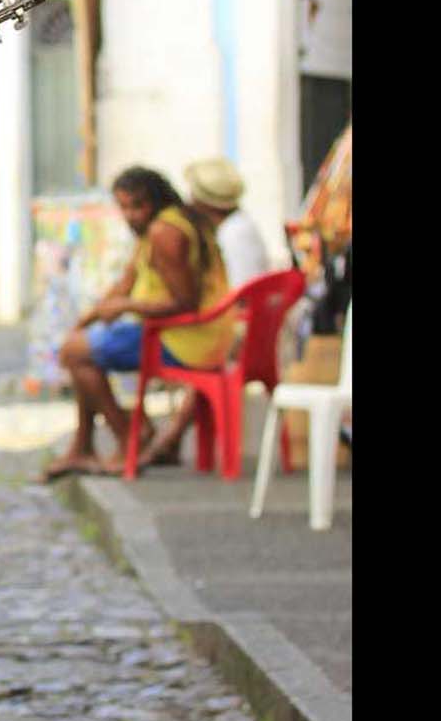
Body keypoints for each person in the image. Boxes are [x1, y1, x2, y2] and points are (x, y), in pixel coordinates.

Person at [41, 165, 231, 481]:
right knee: (76, 347)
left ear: (155, 201)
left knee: (75, 354)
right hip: (186, 333)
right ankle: (84, 445)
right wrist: (86, 320)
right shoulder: (154, 229)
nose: (130, 216)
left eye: (137, 207)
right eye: (124, 208)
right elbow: (125, 282)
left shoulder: (165, 233)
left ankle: (129, 435)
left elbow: (184, 302)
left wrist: (125, 307)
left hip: (186, 339)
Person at [126, 158, 273, 468]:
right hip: (240, 328)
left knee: (198, 357)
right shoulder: (234, 227)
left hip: (237, 331)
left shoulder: (232, 234)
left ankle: (166, 439)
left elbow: (237, 294)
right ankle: (170, 439)